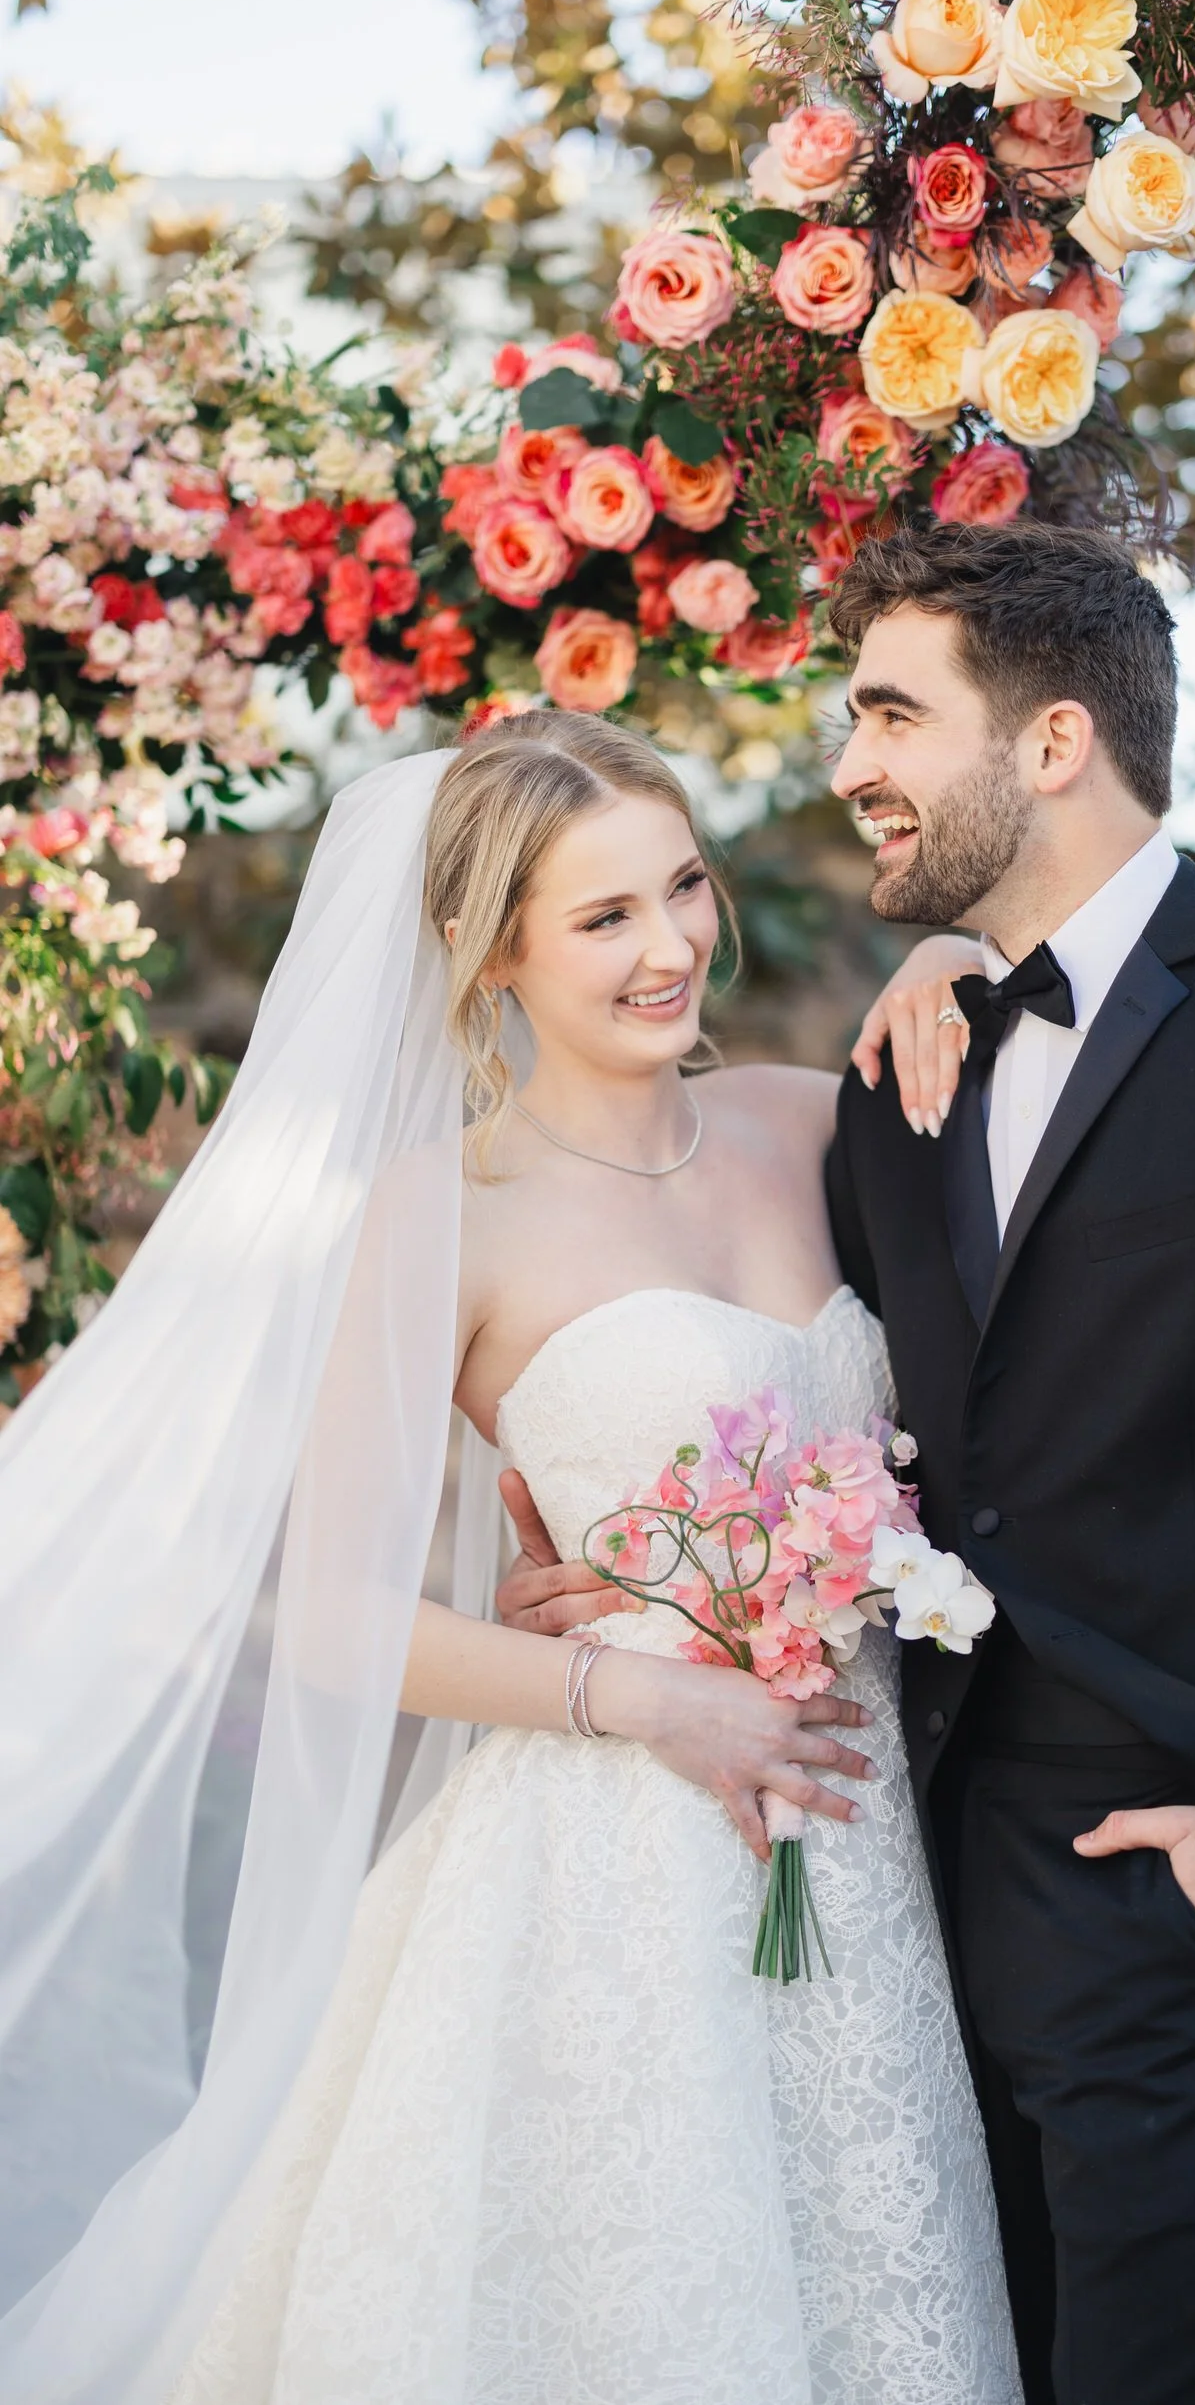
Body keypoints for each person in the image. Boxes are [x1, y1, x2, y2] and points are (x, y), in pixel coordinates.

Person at [508, 520, 1195, 2405]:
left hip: (1191, 1895)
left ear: (1049, 743)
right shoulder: (897, 1076)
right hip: (896, 1907)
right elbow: (834, 1430)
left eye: (888, 712)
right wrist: (616, 1578)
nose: (846, 763)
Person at [0, 715, 1020, 2405]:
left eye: (683, 886)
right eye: (603, 917)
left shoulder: (808, 1122)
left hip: (859, 1836)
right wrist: (633, 1694)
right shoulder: (437, 1214)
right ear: (489, 955)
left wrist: (956, 955)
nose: (673, 944)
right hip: (611, 1860)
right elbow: (331, 1619)